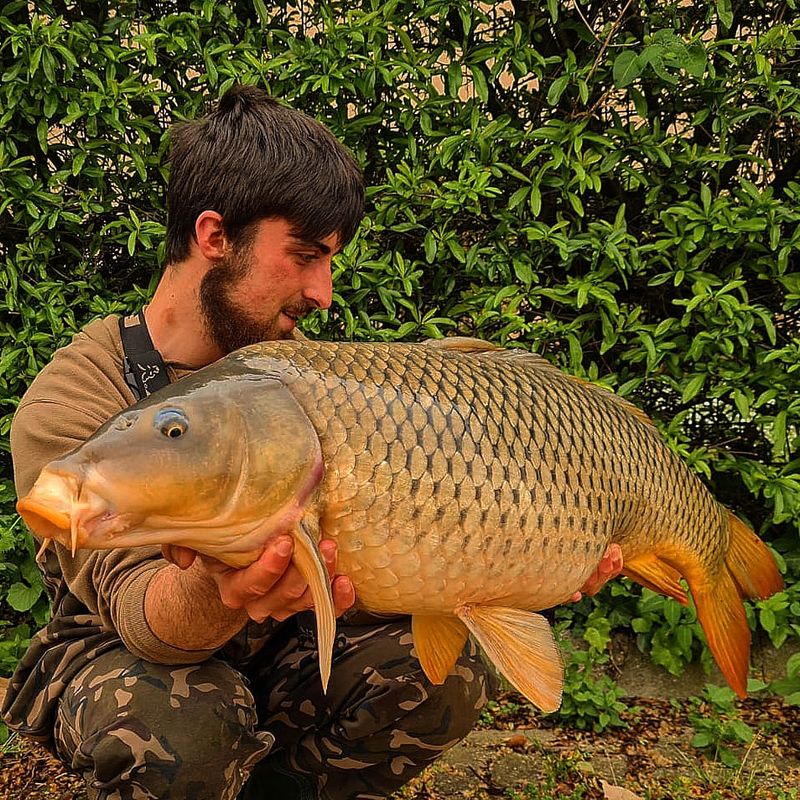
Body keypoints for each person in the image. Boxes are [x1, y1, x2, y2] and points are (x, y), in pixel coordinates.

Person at [2, 85, 621, 800]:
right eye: (303, 256)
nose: (323, 291)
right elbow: (144, 616)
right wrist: (223, 584)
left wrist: (522, 564)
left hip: (288, 643)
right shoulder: (76, 396)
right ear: (215, 237)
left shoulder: (303, 384)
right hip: (123, 654)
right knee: (186, 722)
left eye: (329, 261)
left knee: (444, 671)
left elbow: (383, 565)